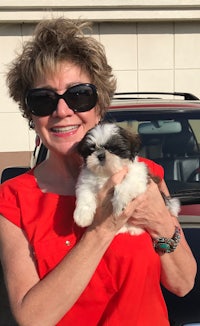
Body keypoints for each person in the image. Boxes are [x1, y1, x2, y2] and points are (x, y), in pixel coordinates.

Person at [0, 18, 196, 326]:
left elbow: (183, 284)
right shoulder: (13, 200)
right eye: (43, 100)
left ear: (99, 105)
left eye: (79, 95)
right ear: (31, 116)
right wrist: (103, 229)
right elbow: (32, 319)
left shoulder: (147, 174)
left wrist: (160, 221)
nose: (62, 111)